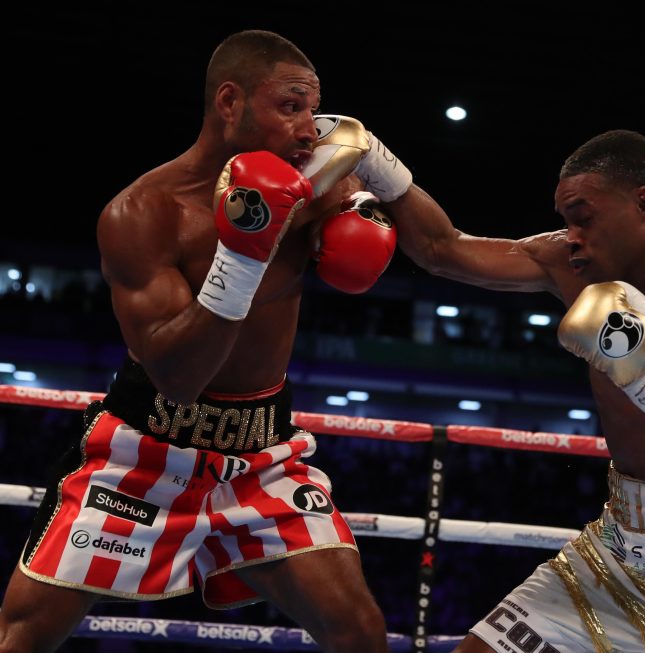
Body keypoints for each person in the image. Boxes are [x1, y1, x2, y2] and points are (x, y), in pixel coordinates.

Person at [315, 122, 645, 651]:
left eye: (584, 217)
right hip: (622, 554)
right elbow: (442, 248)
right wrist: (376, 161)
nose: (572, 235)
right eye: (565, 221)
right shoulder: (571, 265)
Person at [0, 31, 399, 653]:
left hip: (259, 457)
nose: (306, 128)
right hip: (143, 455)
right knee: (25, 634)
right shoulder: (143, 213)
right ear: (230, 103)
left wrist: (385, 189)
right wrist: (244, 254)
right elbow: (178, 379)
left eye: (311, 109)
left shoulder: (320, 189)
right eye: (288, 107)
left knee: (360, 633)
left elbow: (442, 247)